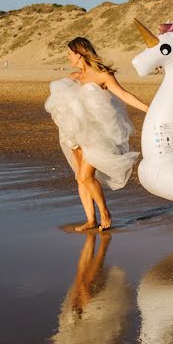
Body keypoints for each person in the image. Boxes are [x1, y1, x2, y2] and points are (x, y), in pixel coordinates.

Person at [45, 37, 149, 231]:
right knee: (79, 177)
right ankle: (91, 220)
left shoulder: (102, 76)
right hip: (76, 134)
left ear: (79, 53)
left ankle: (105, 213)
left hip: (97, 135)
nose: (68, 57)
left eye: (69, 53)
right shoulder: (73, 77)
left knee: (85, 176)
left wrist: (149, 109)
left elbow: (124, 95)